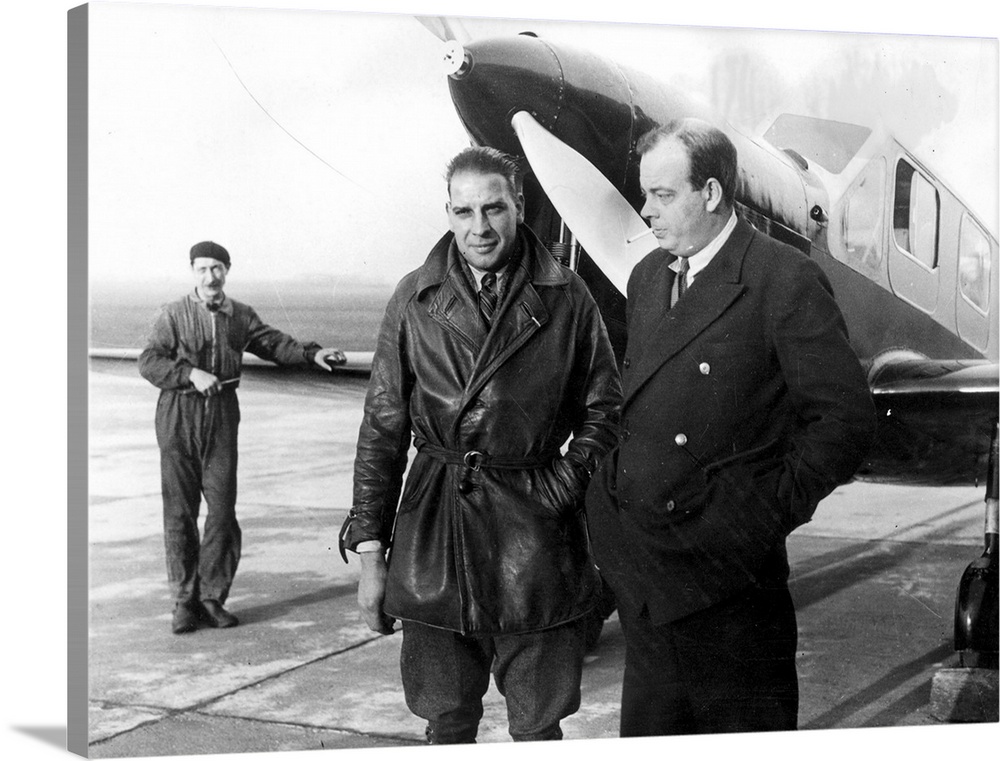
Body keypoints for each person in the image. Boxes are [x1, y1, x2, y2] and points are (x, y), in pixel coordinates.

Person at [585, 119, 877, 735]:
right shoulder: (649, 278)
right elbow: (638, 408)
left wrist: (753, 516)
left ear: (712, 193)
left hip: (731, 595)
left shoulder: (782, 278)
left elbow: (844, 421)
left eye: (663, 196)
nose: (646, 212)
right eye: (645, 195)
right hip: (646, 586)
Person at [340, 147, 621, 744]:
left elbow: (605, 409)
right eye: (464, 211)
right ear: (447, 213)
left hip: (536, 535)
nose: (479, 227)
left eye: (494, 209)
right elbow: (382, 428)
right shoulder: (415, 299)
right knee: (445, 721)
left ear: (519, 206)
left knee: (540, 724)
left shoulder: (567, 297)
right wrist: (371, 553)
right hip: (434, 534)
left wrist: (562, 486)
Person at [139, 240, 347, 635]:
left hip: (221, 417)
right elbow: (149, 361)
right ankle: (183, 602)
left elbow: (274, 343)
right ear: (192, 272)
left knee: (221, 511)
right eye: (201, 269)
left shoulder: (240, 315)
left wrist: (311, 354)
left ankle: (211, 597)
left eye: (217, 268)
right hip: (178, 416)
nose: (210, 277)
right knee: (180, 513)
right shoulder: (172, 314)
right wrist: (190, 375)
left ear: (227, 270)